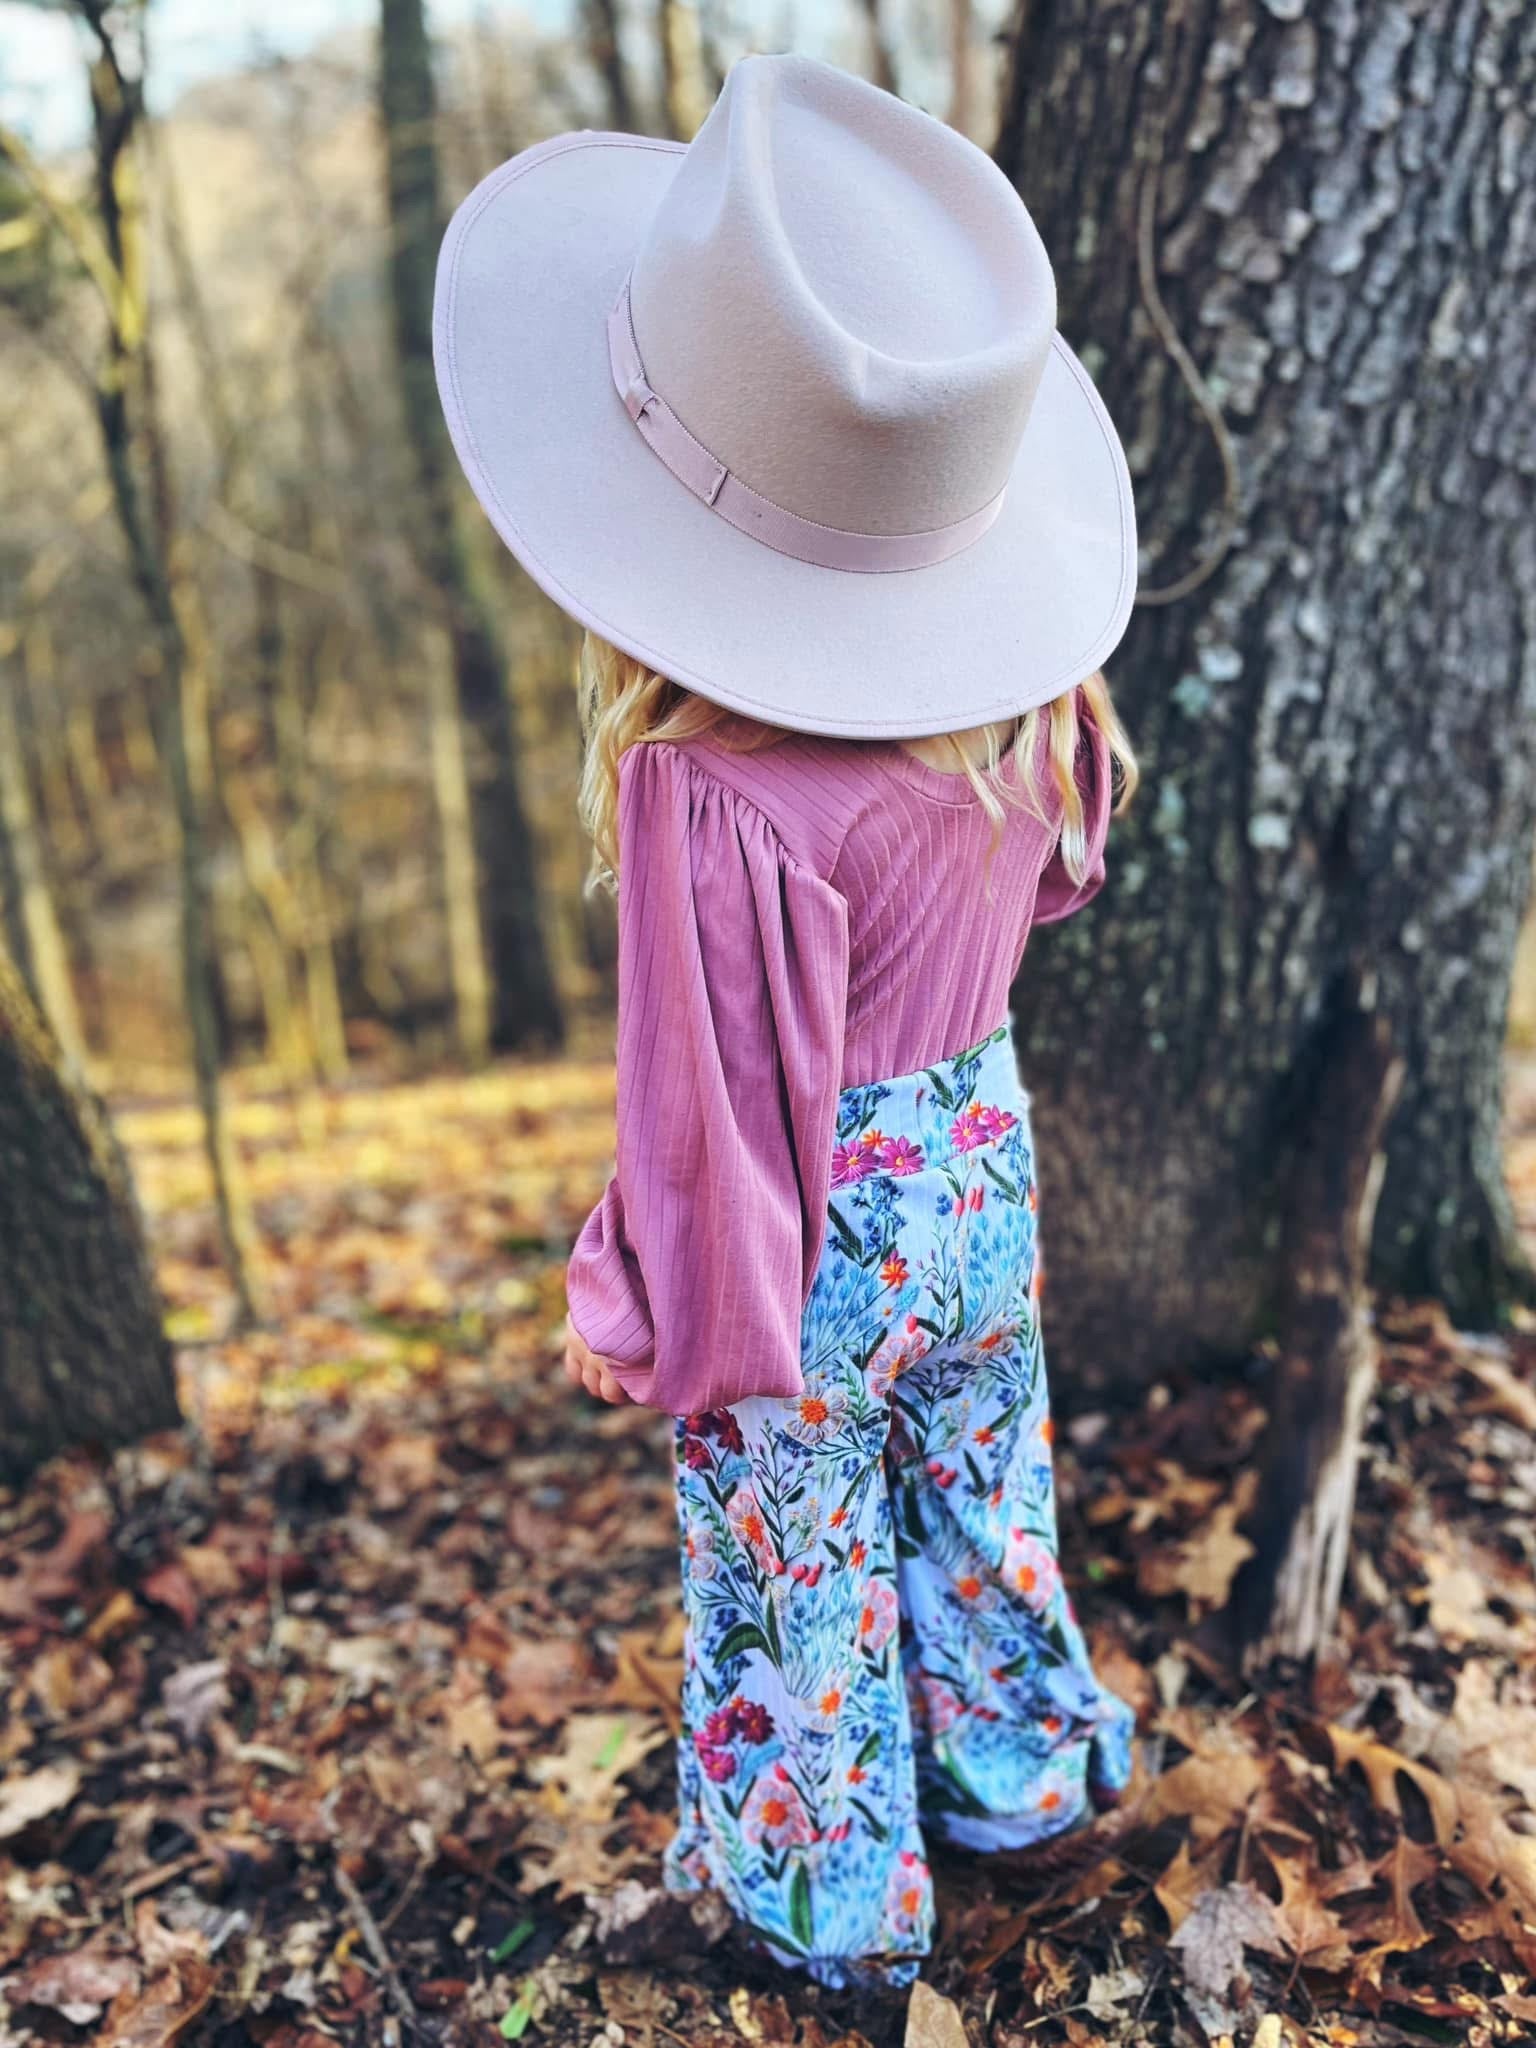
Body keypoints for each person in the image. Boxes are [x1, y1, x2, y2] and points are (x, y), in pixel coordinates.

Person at [433, 49, 1141, 1990]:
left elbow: (712, 1124)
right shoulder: (1029, 708)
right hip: (981, 1173)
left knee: (792, 1565)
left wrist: (633, 1305)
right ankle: (1022, 1784)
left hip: (812, 1231)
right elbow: (1055, 881)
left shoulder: (717, 796)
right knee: (989, 1494)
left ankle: (833, 1906)